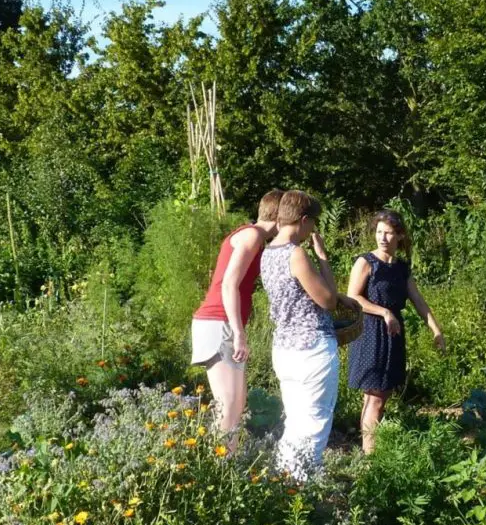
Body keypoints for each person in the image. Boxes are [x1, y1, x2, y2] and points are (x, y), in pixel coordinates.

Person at [261, 190, 357, 479]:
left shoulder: (267, 253)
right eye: (313, 222)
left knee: (295, 421)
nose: (313, 229)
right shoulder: (296, 254)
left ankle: (282, 482)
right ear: (304, 220)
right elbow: (327, 300)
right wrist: (323, 258)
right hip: (311, 349)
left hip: (285, 348)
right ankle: (300, 490)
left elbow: (303, 293)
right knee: (314, 423)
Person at [347, 210, 445, 454]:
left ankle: (369, 450)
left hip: (393, 334)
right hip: (370, 332)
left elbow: (418, 301)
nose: (382, 237)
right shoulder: (366, 262)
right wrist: (384, 313)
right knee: (375, 397)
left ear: (400, 236)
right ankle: (371, 457)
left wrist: (436, 330)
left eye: (388, 233)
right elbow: (353, 297)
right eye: (379, 232)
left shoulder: (401, 267)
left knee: (380, 395)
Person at [191, 189, 283, 441]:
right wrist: (239, 333)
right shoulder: (252, 235)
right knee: (229, 404)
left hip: (222, 322)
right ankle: (215, 461)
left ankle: (226, 458)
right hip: (218, 321)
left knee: (236, 404)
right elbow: (228, 284)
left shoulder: (253, 236)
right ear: (279, 216)